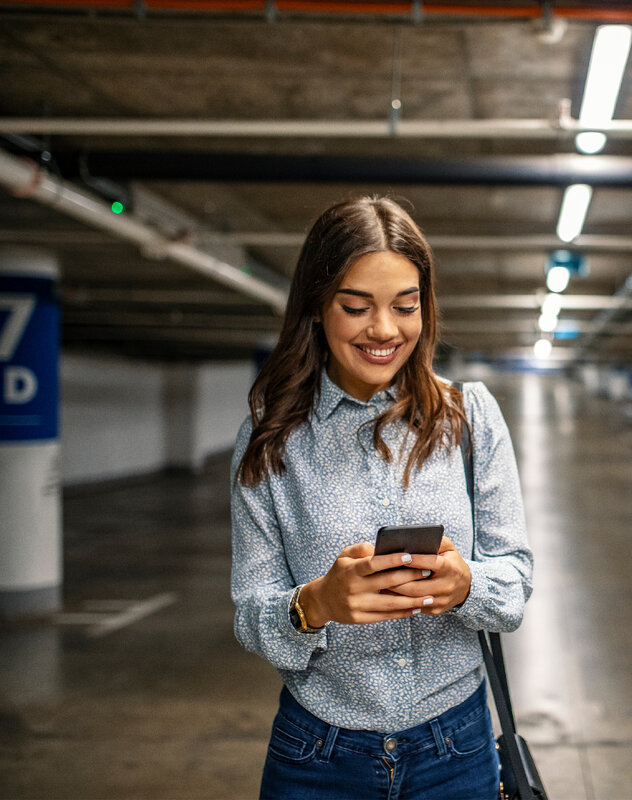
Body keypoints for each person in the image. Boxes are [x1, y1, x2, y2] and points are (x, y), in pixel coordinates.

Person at [230, 196, 533, 800]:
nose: (385, 330)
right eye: (356, 306)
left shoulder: (470, 418)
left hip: (457, 749)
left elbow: (516, 583)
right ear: (317, 307)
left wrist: (465, 584)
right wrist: (315, 603)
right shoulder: (271, 434)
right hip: (317, 754)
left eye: (405, 306)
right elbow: (250, 614)